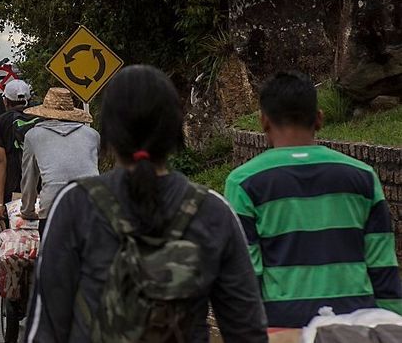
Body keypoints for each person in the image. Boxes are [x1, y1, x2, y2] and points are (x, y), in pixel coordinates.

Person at [25, 65, 266, 342]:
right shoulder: (213, 211)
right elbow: (247, 331)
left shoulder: (76, 205)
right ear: (176, 132)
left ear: (109, 136)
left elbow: (45, 330)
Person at [225, 71, 402, 328]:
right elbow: (382, 266)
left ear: (264, 121)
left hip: (284, 328)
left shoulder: (243, 182)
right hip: (355, 328)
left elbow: (247, 277)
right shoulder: (363, 177)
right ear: (319, 119)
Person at [19, 88, 99, 234]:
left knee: (52, 256)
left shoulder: (33, 135)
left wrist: (27, 210)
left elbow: (29, 178)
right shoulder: (92, 134)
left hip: (53, 206)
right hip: (90, 204)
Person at [0, 79, 34, 226]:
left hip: (13, 187)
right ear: (29, 99)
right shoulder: (41, 120)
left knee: (15, 238)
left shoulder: (0, 122)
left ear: (6, 101)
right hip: (40, 188)